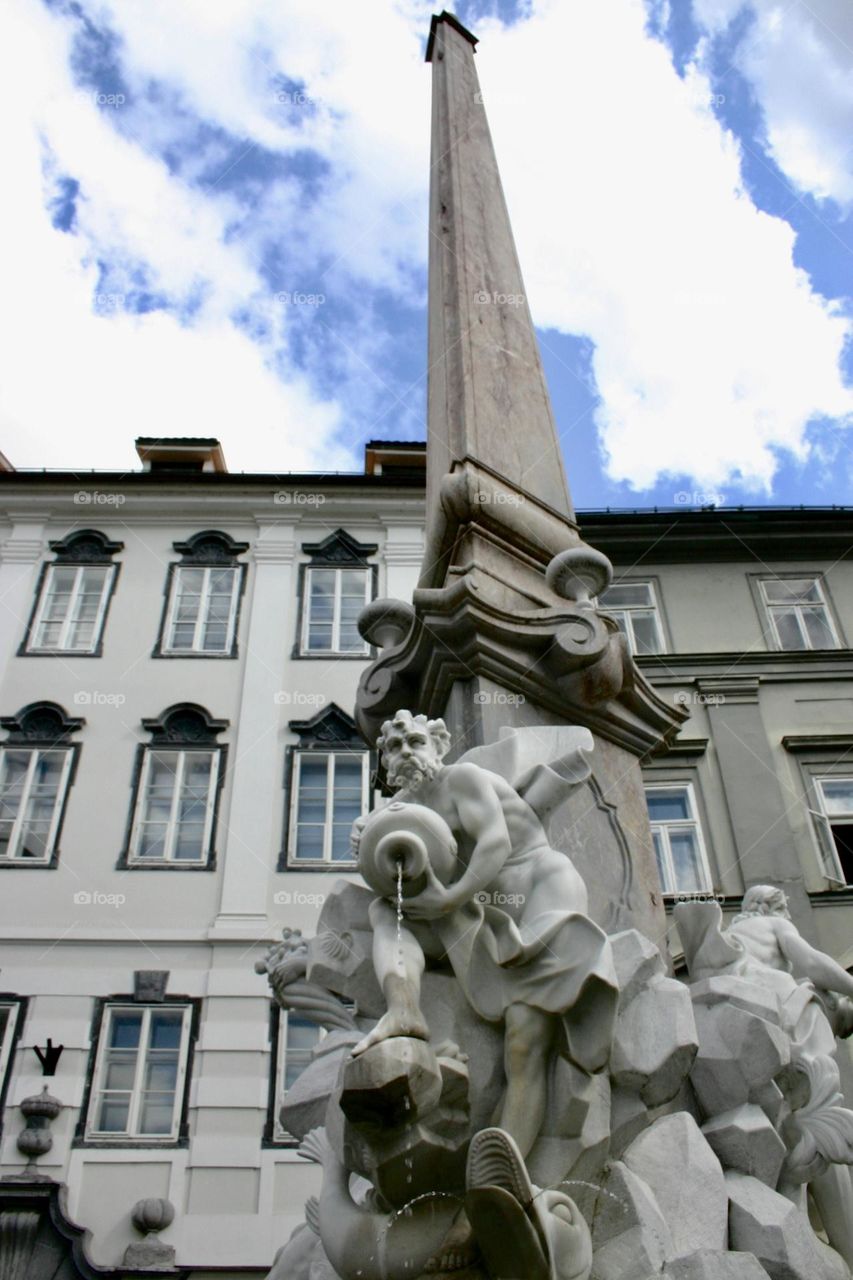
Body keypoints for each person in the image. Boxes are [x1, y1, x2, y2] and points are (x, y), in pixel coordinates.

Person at [351, 709, 618, 1159]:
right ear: (384, 764)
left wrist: (450, 897)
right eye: (394, 748)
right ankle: (404, 1009)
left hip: (539, 890)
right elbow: (397, 883)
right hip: (478, 913)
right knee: (384, 912)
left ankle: (505, 1171)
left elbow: (495, 842)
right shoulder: (400, 814)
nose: (405, 753)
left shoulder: (464, 779)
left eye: (415, 741)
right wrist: (368, 842)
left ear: (438, 746)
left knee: (525, 1040)